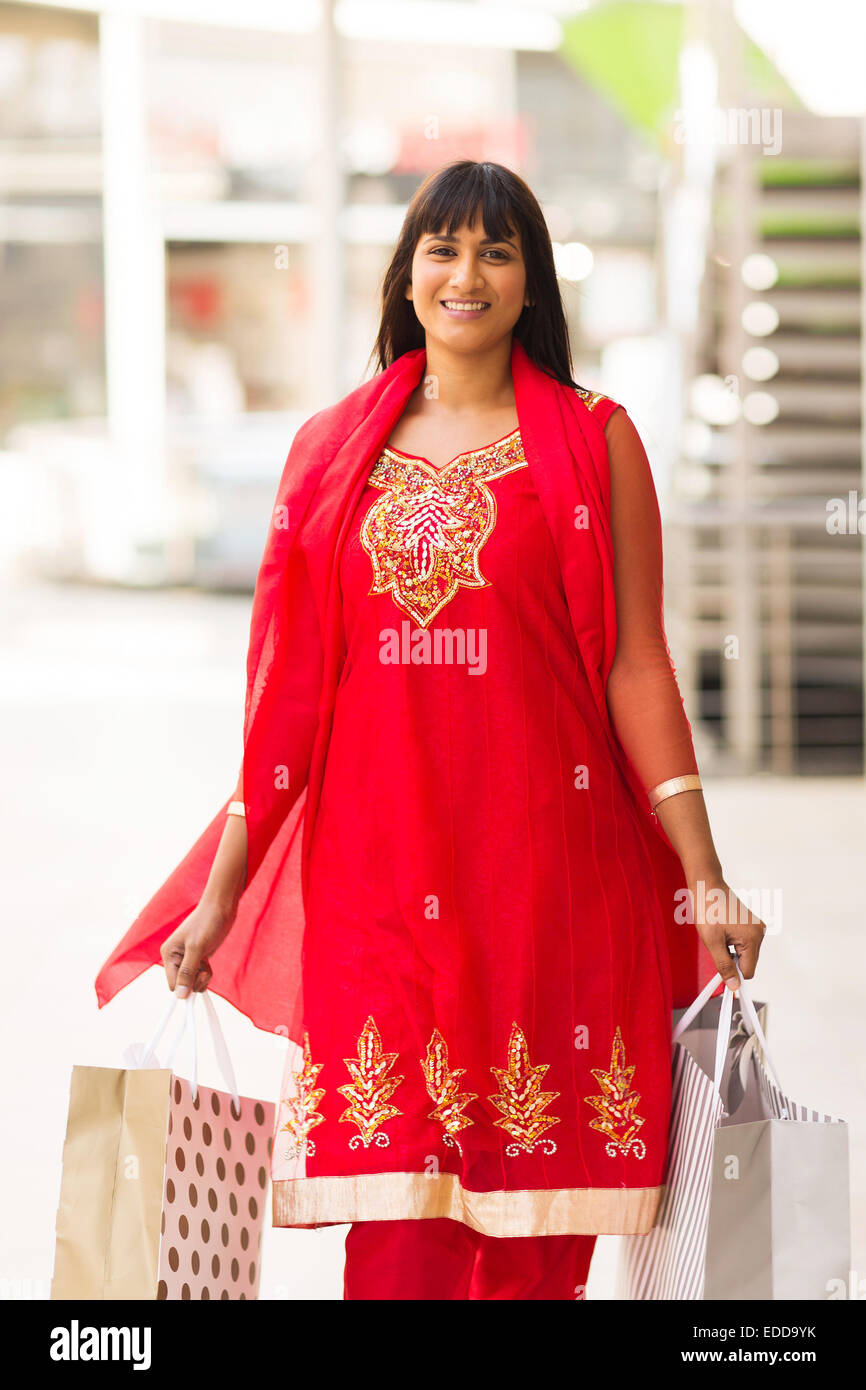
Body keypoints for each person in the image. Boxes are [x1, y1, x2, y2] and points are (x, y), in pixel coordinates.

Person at [96, 160, 765, 1300]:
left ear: (529, 282)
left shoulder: (596, 441)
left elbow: (636, 666)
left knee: (532, 1234)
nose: (466, 274)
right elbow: (285, 708)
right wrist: (220, 895)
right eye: (443, 249)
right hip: (379, 893)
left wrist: (702, 875)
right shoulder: (328, 457)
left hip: (553, 886)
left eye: (496, 252)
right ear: (406, 276)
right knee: (395, 1238)